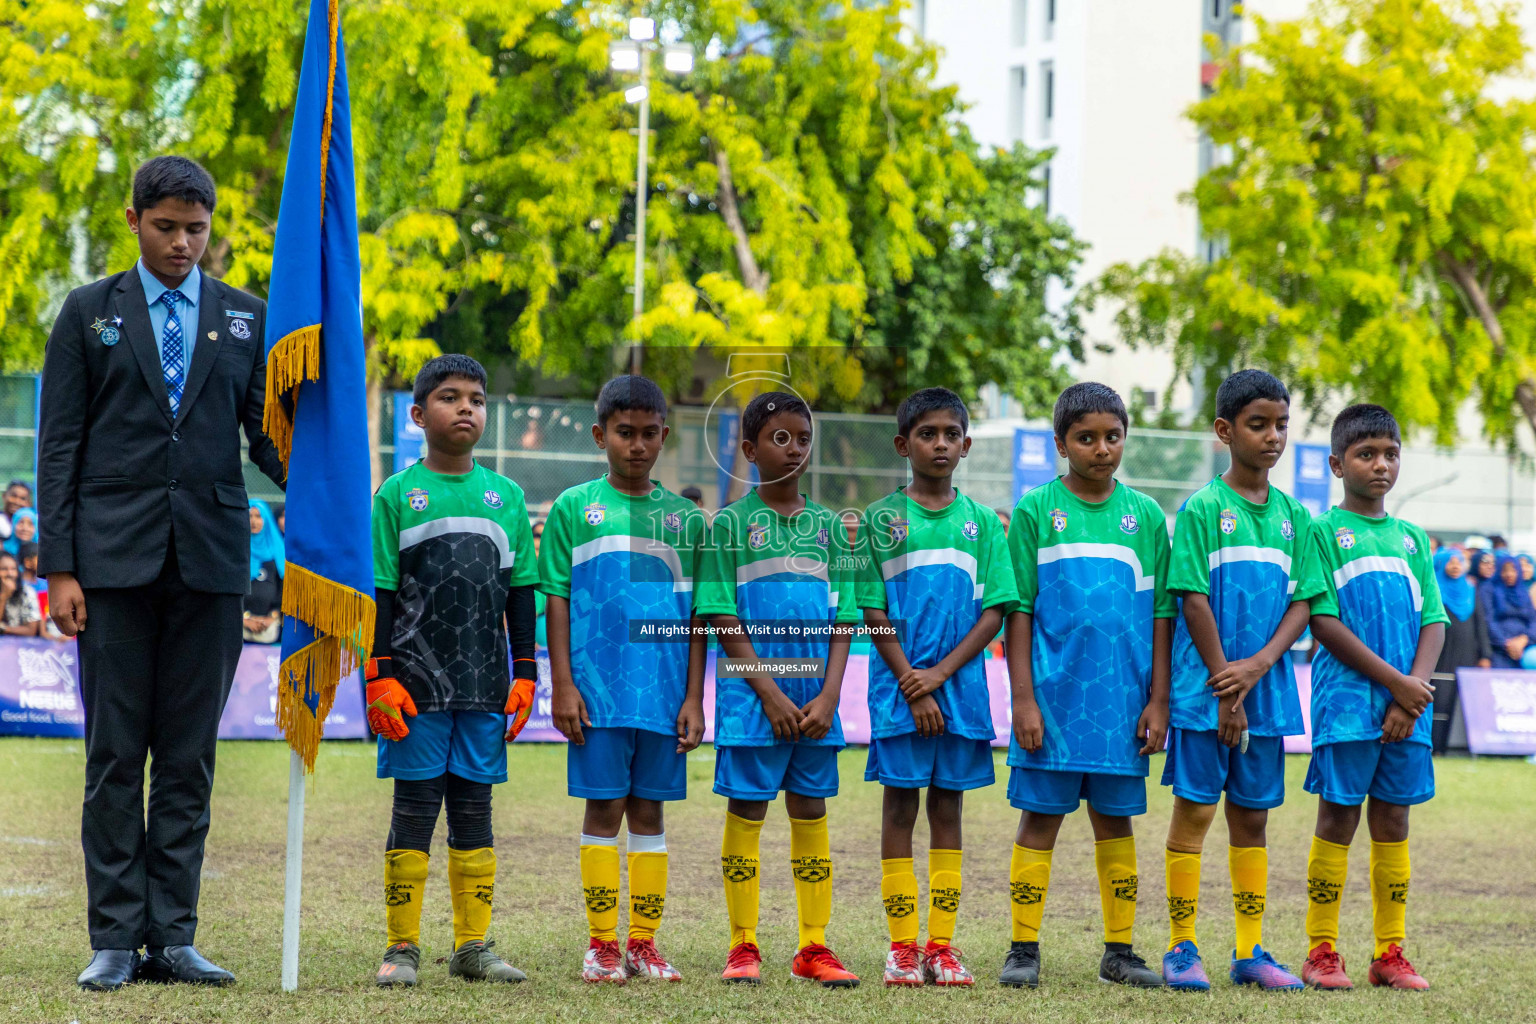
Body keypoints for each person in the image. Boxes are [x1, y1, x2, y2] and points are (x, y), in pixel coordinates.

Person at [39, 155, 285, 990]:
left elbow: (266, 441)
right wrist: (59, 568)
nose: (184, 244)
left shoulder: (249, 319)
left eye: (198, 229)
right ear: (135, 219)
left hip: (213, 565)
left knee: (188, 758)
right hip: (109, 568)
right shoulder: (86, 314)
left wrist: (321, 479)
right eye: (167, 227)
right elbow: (59, 446)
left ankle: (172, 936)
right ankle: (114, 937)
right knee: (115, 754)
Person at [366, 355, 538, 988]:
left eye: (476, 398)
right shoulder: (395, 494)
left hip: (486, 685)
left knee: (475, 814)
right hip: (412, 687)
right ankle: (401, 948)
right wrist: (377, 675)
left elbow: (522, 592)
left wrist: (525, 673)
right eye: (449, 397)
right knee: (413, 812)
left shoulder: (508, 497)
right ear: (417, 415)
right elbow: (381, 592)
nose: (467, 407)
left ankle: (473, 947)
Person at [1000, 382, 1173, 990]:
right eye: (1087, 438)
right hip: (1051, 699)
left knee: (1115, 823)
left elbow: (1160, 616)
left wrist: (1158, 698)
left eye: (1113, 436)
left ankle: (1119, 952)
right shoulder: (1034, 510)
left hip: (1122, 704)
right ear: (1061, 443)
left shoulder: (1148, 517)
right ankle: (1023, 947)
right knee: (1038, 821)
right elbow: (1017, 609)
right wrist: (1023, 698)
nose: (1102, 448)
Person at [541, 375, 707, 985]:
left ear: (665, 435)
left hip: (663, 696)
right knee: (604, 808)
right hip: (597, 691)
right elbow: (556, 598)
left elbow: (697, 618)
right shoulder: (571, 509)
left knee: (651, 814)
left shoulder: (688, 522)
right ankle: (602, 943)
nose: (636, 446)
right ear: (599, 435)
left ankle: (643, 942)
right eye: (623, 433)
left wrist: (693, 696)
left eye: (648, 434)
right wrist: (563, 684)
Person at [695, 391, 861, 988]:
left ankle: (813, 947)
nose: (793, 449)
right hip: (753, 704)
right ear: (749, 450)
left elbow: (847, 617)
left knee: (810, 811)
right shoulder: (730, 527)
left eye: (802, 438)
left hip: (816, 705)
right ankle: (743, 946)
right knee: (747, 810)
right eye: (779, 438)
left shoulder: (833, 530)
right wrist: (768, 692)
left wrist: (830, 694)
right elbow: (720, 615)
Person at [855, 387, 1017, 988]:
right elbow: (869, 609)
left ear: (967, 444)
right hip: (899, 695)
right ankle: (902, 947)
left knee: (948, 808)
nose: (941, 443)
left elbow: (996, 611)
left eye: (951, 434)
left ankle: (941, 947)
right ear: (904, 445)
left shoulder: (982, 524)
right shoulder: (875, 521)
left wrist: (941, 678)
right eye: (928, 434)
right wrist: (911, 683)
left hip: (961, 697)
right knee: (899, 807)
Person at [1158, 371, 1314, 992]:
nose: (1272, 436)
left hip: (1267, 695)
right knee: (1194, 813)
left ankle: (1249, 951)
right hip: (1206, 699)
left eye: (1280, 424)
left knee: (1252, 821)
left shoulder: (1295, 516)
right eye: (1258, 424)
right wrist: (1229, 682)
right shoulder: (1202, 508)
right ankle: (1180, 946)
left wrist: (1258, 668)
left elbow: (1306, 601)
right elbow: (1192, 598)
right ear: (1225, 431)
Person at [1299, 404, 1447, 991]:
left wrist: (1412, 696)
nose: (1380, 464)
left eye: (1390, 454)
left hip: (1407, 709)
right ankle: (1321, 949)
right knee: (1337, 818)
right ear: (1338, 463)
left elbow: (1433, 621)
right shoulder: (1321, 533)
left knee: (1392, 819)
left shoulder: (1413, 539)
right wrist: (1397, 686)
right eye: (1366, 454)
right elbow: (1323, 622)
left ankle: (1390, 952)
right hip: (1347, 706)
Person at [1430, 548, 1491, 754]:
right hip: (1440, 655)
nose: (1456, 566)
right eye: (1450, 562)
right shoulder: (1433, 590)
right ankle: (1434, 748)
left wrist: (1485, 655)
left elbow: (1480, 625)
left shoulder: (1470, 591)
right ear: (1440, 564)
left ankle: (1454, 748)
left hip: (1466, 654)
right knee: (1439, 701)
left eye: (1460, 562)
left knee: (1460, 703)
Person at [1479, 553, 1536, 669]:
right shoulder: (1489, 589)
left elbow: (1533, 620)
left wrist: (1524, 639)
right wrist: (1507, 643)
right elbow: (1488, 619)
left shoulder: (1522, 592)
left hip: (1524, 648)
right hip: (1499, 649)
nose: (1509, 574)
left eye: (1513, 570)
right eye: (1505, 570)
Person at [242, 499, 284, 644]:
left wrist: (273, 617)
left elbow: (283, 588)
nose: (253, 521)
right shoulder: (237, 552)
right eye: (249, 516)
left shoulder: (278, 550)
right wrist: (243, 619)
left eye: (258, 516)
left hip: (270, 626)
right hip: (238, 625)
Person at [0, 552, 43, 637]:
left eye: (13, 569)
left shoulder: (27, 592)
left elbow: (31, 630)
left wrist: (4, 629)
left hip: (22, 646)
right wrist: (4, 597)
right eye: (4, 569)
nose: (10, 574)